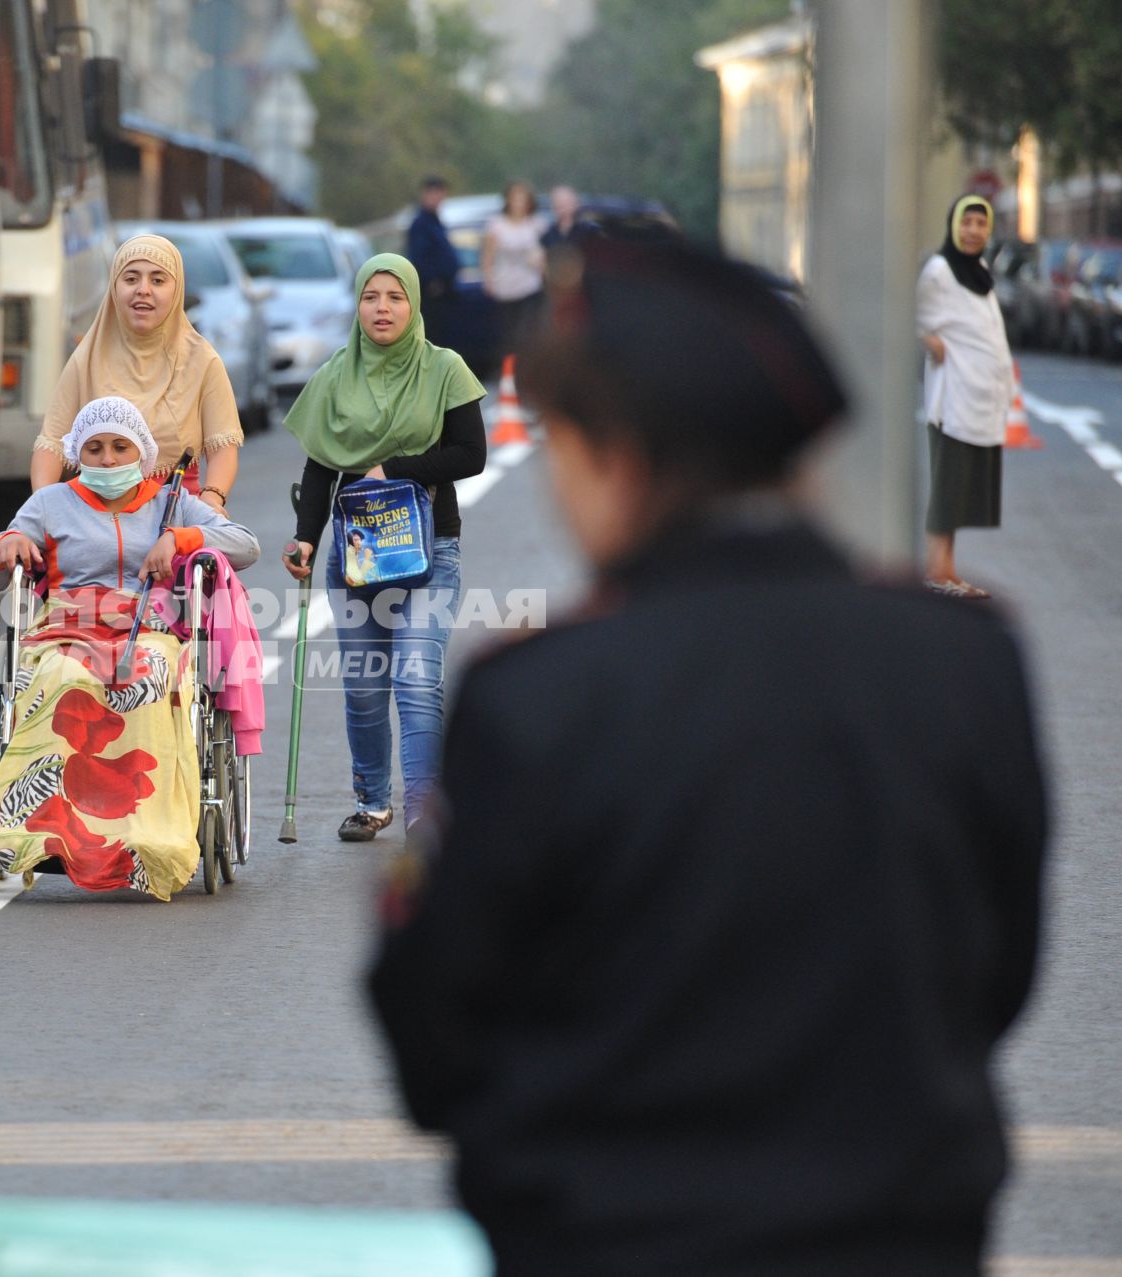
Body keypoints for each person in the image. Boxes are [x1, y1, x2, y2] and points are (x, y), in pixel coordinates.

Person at [370, 238, 1046, 1276]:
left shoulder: (539, 696)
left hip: (608, 1241)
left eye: (558, 445)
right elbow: (995, 977)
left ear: (619, 457)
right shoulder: (966, 659)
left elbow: (437, 1041)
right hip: (904, 1240)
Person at [0, 396, 259, 900]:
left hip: (147, 628)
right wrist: (3, 546)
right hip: (66, 626)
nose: (107, 460)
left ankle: (144, 834)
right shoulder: (49, 503)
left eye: (120, 447)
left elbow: (246, 545)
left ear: (141, 452)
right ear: (79, 453)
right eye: (96, 448)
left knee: (148, 676)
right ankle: (44, 830)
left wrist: (184, 537)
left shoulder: (170, 502)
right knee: (63, 678)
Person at [283, 255, 486, 841]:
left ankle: (425, 808)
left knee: (417, 678)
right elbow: (319, 469)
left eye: (395, 297)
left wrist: (393, 468)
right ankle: (373, 802)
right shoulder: (335, 375)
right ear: (358, 305)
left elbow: (470, 454)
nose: (382, 308)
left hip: (430, 551)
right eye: (371, 296)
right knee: (366, 684)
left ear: (414, 303)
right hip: (355, 555)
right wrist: (303, 537)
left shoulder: (445, 368)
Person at [30, 234, 242, 513]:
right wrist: (43, 507)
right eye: (131, 279)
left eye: (158, 280)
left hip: (174, 520)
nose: (143, 290)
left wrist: (213, 498)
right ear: (114, 288)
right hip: (94, 521)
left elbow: (222, 446)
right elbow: (52, 443)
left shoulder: (201, 361)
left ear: (176, 290)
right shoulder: (87, 357)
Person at [919, 194, 1014, 599]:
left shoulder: (980, 272)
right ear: (952, 224)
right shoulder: (940, 270)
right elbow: (911, 310)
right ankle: (936, 571)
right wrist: (928, 339)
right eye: (966, 222)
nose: (973, 231)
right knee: (947, 486)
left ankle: (947, 568)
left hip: (981, 398)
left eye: (980, 223)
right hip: (954, 398)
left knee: (962, 490)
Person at [481, 180, 547, 372]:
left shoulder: (536, 224)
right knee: (507, 334)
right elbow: (488, 255)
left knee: (527, 331)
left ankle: (528, 370)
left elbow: (543, 254)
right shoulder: (497, 225)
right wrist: (489, 278)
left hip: (530, 285)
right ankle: (509, 372)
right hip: (506, 286)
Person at [405, 175, 462, 348]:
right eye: (433, 193)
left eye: (440, 193)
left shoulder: (436, 221)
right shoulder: (421, 224)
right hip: (432, 295)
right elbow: (420, 257)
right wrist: (432, 282)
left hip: (445, 293)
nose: (437, 197)